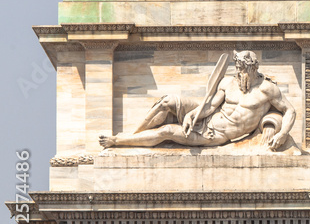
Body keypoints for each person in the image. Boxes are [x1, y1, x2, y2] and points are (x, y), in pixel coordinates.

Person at [99, 51, 295, 150]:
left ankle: (119, 141)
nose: (238, 72)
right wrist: (192, 115)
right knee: (167, 101)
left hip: (217, 134)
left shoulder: (267, 89)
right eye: (236, 68)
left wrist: (283, 133)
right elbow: (210, 106)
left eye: (241, 69)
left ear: (252, 68)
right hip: (209, 117)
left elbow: (290, 111)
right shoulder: (228, 82)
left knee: (166, 132)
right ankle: (134, 134)